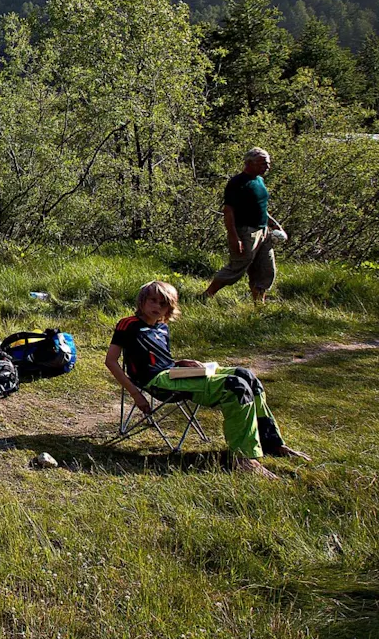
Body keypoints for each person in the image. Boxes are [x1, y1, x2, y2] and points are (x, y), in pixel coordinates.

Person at [106, 280, 309, 477]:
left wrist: (180, 362)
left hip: (174, 373)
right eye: (152, 301)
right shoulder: (128, 325)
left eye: (163, 304)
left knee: (246, 375)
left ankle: (271, 442)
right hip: (156, 381)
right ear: (142, 301)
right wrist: (136, 394)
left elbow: (159, 359)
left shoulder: (162, 328)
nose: (157, 307)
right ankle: (243, 459)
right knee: (235, 387)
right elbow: (111, 361)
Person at [202, 147, 285, 304]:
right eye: (263, 164)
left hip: (264, 232)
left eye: (267, 164)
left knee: (266, 269)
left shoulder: (259, 181)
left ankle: (259, 304)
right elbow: (228, 211)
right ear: (250, 163)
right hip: (246, 232)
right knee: (236, 268)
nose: (267, 167)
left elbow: (261, 207)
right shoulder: (237, 183)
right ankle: (206, 296)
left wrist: (274, 225)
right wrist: (234, 237)